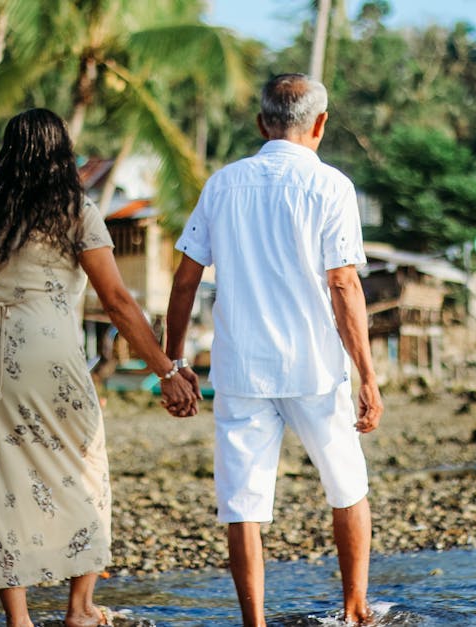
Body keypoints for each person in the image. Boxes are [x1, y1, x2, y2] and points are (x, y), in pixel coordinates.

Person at [0, 108, 200, 627]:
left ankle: (19, 619)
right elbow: (117, 300)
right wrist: (167, 371)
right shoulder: (75, 210)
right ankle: (79, 608)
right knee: (83, 463)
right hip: (46, 346)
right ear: (63, 154)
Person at [164, 73, 383, 626]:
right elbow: (343, 284)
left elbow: (186, 279)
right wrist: (368, 375)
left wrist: (175, 363)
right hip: (315, 367)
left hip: (242, 370)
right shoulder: (331, 186)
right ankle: (355, 609)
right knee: (347, 486)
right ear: (321, 124)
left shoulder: (222, 184)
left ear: (262, 123)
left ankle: (254, 622)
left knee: (243, 504)